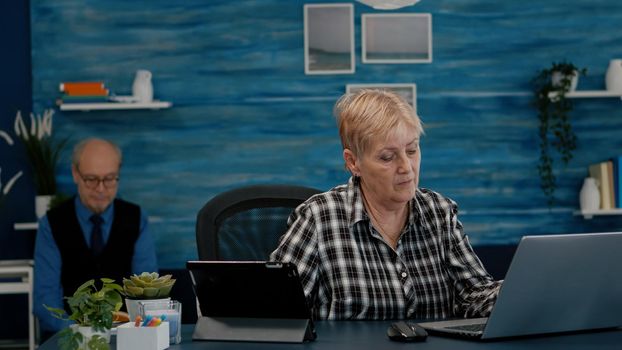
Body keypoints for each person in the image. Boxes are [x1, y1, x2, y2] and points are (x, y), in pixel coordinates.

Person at [270, 89, 501, 320]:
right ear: (353, 162)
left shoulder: (439, 212)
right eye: (387, 157)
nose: (406, 167)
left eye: (412, 150)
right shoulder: (319, 218)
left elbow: (474, 296)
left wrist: (518, 289)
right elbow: (274, 310)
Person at [33, 138, 158, 335]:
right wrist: (80, 333)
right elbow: (45, 300)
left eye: (109, 179)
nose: (100, 189)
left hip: (126, 338)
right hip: (68, 339)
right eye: (91, 179)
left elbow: (147, 292)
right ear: (76, 174)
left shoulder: (136, 218)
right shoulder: (51, 224)